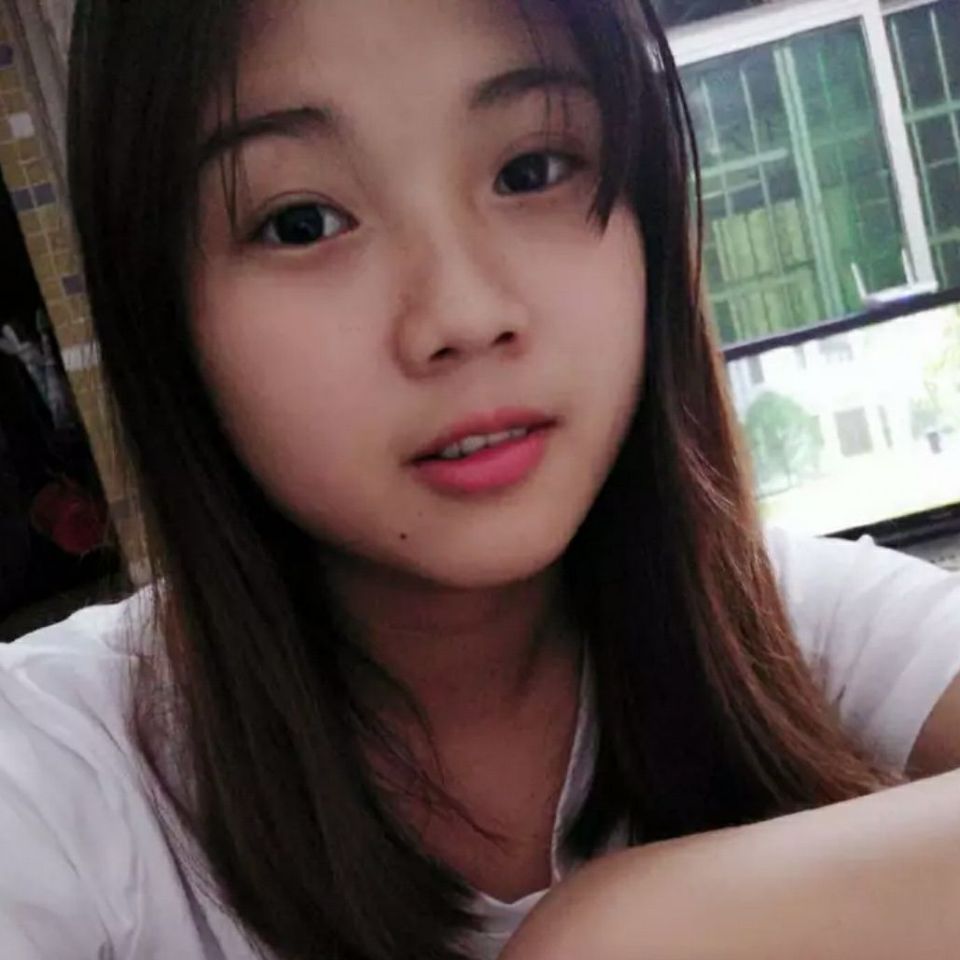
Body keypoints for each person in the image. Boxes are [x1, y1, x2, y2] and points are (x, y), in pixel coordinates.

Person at [1, 1, 959, 958]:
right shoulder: (52, 774)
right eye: (301, 222)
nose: (461, 313)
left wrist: (626, 927)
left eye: (531, 170)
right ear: (165, 307)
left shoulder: (786, 626)